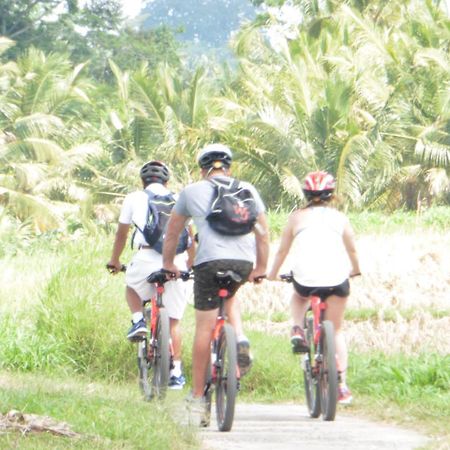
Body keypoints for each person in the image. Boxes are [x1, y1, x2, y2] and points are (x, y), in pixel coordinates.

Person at [162, 143, 269, 414]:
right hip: (243, 263)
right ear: (229, 167)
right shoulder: (248, 189)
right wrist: (260, 268)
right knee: (230, 295)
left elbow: (173, 233)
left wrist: (167, 263)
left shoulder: (191, 192)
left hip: (209, 262)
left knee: (204, 329)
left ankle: (198, 396)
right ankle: (240, 338)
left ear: (202, 169)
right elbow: (263, 233)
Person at [267, 170, 361, 405]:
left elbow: (282, 250)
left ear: (306, 194)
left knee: (299, 296)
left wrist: (272, 273)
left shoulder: (296, 217)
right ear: (331, 195)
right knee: (336, 331)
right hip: (337, 279)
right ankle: (341, 385)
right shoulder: (340, 218)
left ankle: (298, 329)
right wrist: (355, 269)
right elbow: (352, 250)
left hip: (306, 278)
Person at [107, 160, 194, 389]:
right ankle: (175, 372)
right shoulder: (179, 199)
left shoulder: (134, 198)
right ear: (167, 181)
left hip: (146, 258)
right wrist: (190, 266)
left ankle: (138, 321)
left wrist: (114, 261)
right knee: (174, 321)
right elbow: (190, 236)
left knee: (131, 287)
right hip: (176, 261)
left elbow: (121, 235)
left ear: (142, 181)